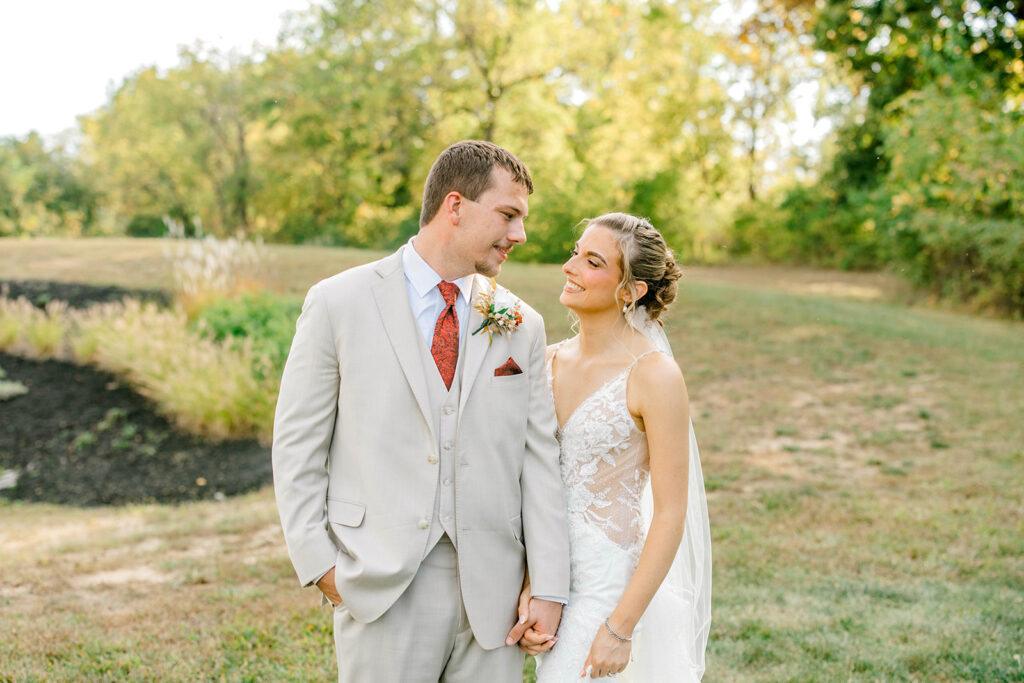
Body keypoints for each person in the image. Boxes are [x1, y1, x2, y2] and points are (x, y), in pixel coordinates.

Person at [272, 140, 570, 682]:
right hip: (382, 584)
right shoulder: (339, 302)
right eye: (508, 215)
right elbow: (297, 447)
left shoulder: (521, 323)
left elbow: (540, 461)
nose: (520, 234)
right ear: (455, 206)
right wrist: (321, 566)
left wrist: (548, 585)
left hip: (495, 598)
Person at [522, 213, 712, 681]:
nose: (570, 267)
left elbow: (670, 513)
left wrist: (620, 627)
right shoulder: (546, 360)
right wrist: (532, 585)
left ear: (631, 291)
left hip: (608, 586)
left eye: (593, 262)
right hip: (550, 576)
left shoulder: (655, 375)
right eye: (575, 253)